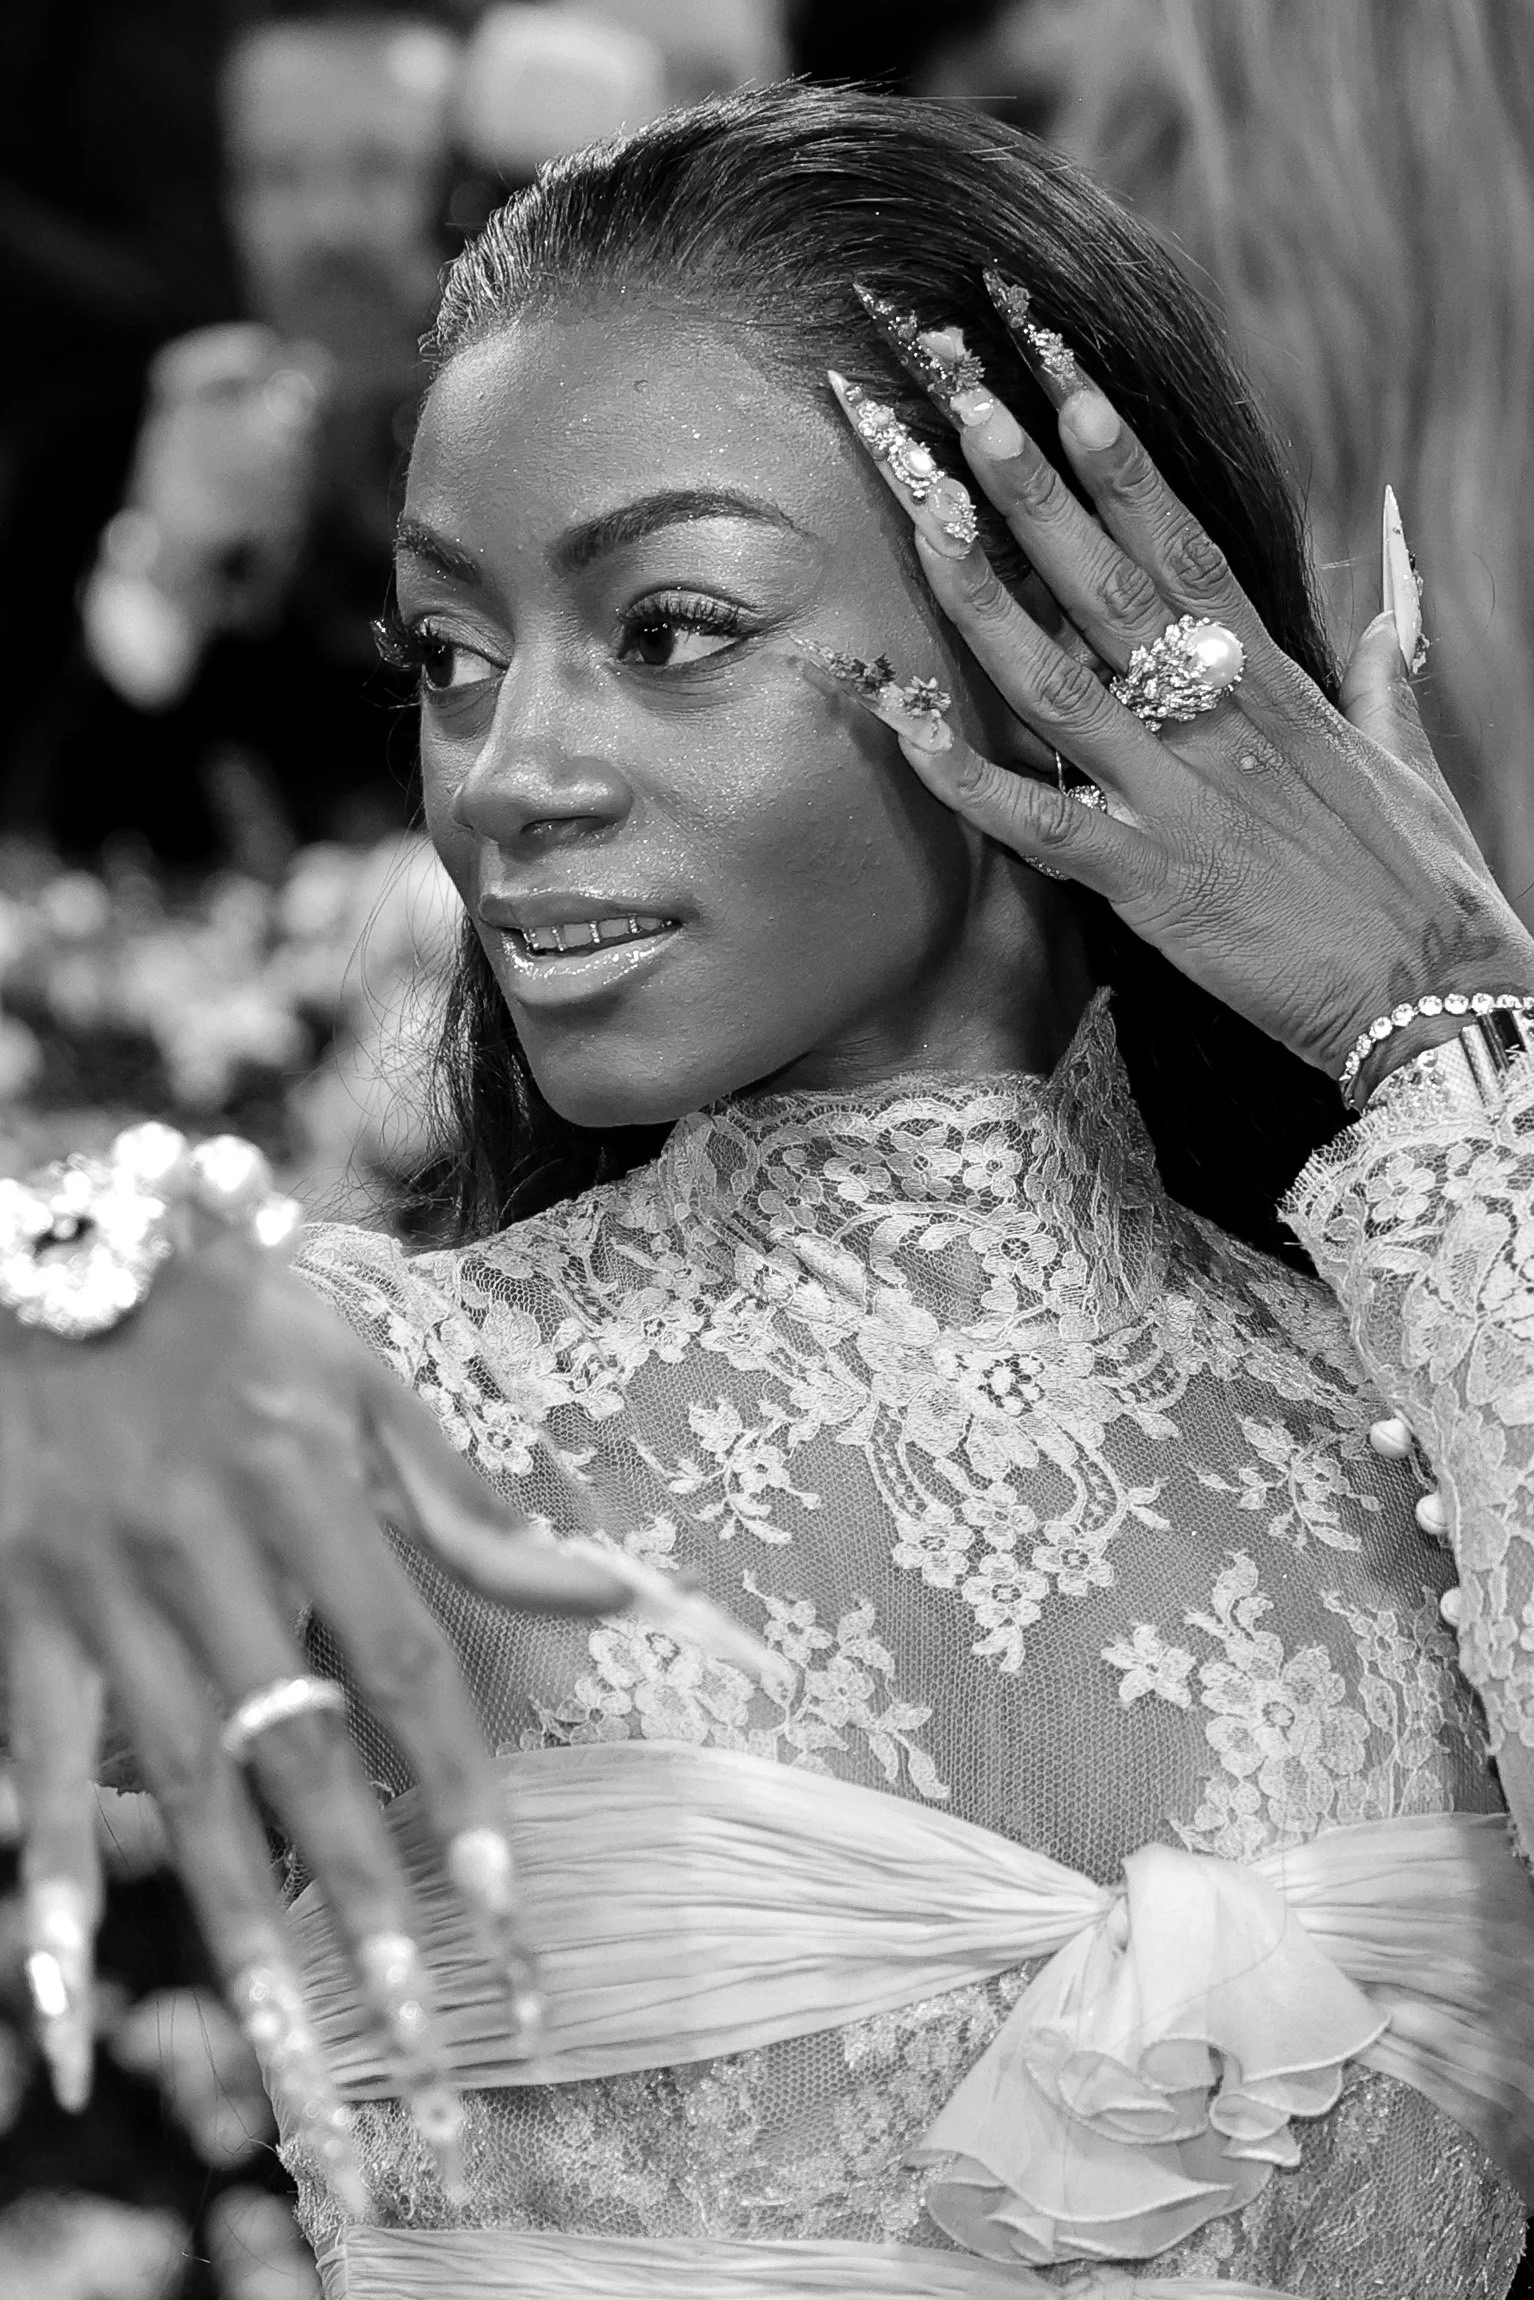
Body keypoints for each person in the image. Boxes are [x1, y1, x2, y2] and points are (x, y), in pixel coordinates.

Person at [3, 81, 1534, 2300]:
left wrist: (1438, 1030)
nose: (504, 777)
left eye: (668, 627)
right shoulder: (360, 1399)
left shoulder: (1419, 1425)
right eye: (445, 656)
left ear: (1046, 641)